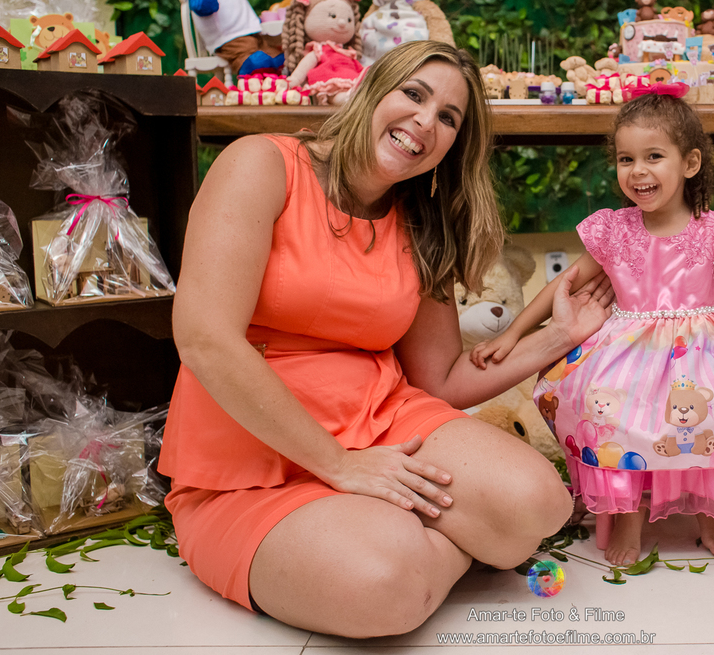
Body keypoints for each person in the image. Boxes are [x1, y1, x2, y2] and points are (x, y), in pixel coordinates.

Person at [159, 41, 613, 638]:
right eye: (415, 95)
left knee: (541, 503)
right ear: (372, 88)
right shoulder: (261, 164)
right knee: (383, 588)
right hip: (249, 448)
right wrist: (337, 466)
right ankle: (407, 548)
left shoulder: (422, 222)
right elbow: (205, 339)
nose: (426, 122)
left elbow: (442, 379)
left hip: (382, 419)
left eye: (449, 118)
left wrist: (560, 334)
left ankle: (397, 540)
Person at [473, 93, 714, 566]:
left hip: (707, 352)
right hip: (628, 353)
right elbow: (565, 285)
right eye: (626, 159)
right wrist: (512, 335)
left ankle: (712, 509)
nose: (638, 171)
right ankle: (626, 513)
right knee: (610, 413)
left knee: (713, 416)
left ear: (689, 163)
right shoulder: (614, 230)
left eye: (653, 157)